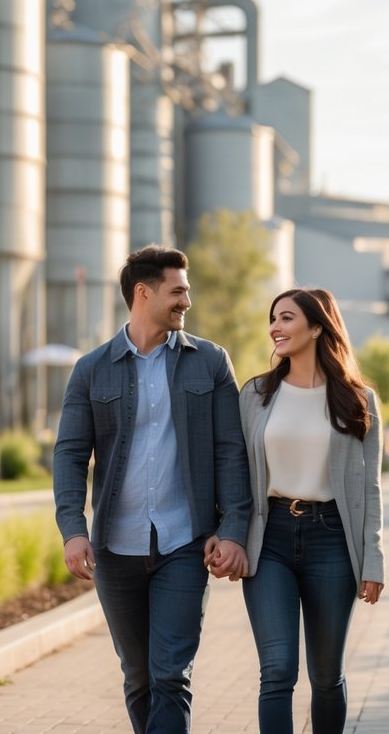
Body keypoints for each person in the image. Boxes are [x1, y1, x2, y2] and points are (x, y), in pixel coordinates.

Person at [53, 245, 252, 734]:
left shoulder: (210, 362)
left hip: (184, 544)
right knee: (138, 676)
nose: (188, 300)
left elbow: (231, 450)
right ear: (143, 293)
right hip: (115, 548)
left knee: (170, 674)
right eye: (178, 290)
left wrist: (233, 529)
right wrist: (72, 530)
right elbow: (69, 455)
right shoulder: (92, 369)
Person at [216, 287, 384, 734]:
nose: (275, 327)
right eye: (273, 318)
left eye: (286, 318)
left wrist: (374, 559)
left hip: (332, 539)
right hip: (268, 538)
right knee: (277, 671)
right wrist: (226, 531)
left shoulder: (357, 400)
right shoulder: (255, 394)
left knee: (326, 677)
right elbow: (234, 469)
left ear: (316, 327)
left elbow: (369, 487)